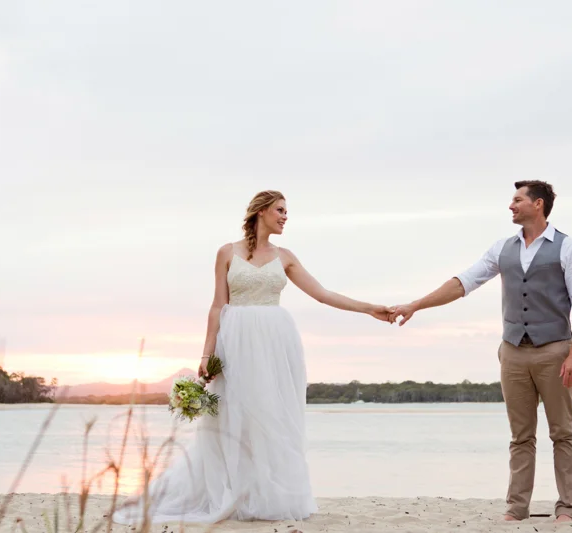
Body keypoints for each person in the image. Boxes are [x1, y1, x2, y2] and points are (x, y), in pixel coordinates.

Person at [113, 190, 392, 525]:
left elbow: (322, 294)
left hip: (275, 342)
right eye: (280, 210)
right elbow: (217, 305)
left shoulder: (285, 256)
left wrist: (369, 308)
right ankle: (232, 490)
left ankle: (266, 494)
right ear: (261, 212)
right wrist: (207, 352)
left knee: (271, 415)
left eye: (287, 211)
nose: (286, 216)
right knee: (234, 414)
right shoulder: (227, 252)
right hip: (236, 339)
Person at [389, 180, 572, 523]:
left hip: (555, 350)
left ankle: (567, 509)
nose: (510, 206)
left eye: (517, 200)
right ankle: (516, 509)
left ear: (538, 204)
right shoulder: (503, 248)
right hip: (512, 352)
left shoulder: (569, 248)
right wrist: (416, 305)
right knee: (520, 436)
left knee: (562, 432)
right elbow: (464, 282)